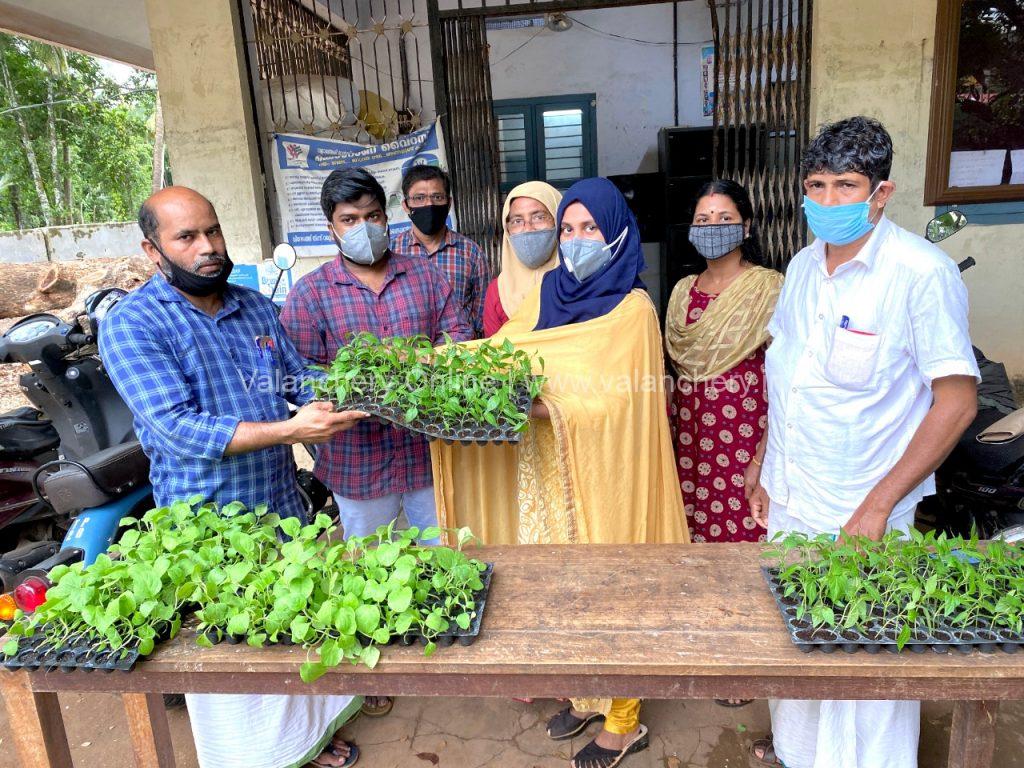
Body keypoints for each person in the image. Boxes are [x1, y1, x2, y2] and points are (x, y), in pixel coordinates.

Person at [100, 186, 366, 768]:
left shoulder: (257, 308)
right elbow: (178, 429)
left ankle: (308, 741)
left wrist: (340, 398)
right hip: (206, 528)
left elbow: (298, 380)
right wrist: (292, 431)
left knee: (296, 627)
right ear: (153, 250)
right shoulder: (133, 325)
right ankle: (259, 758)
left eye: (213, 231)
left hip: (281, 508)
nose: (207, 247)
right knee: (231, 652)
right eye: (186, 237)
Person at [746, 117, 979, 768]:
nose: (827, 201)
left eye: (846, 186)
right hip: (795, 505)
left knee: (866, 682)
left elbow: (956, 401)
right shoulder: (798, 268)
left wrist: (877, 507)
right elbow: (785, 375)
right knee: (798, 658)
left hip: (863, 513)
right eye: (815, 185)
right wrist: (763, 466)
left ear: (882, 193)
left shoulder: (920, 273)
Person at [431, 177, 688, 768]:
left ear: (616, 231)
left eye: (587, 229)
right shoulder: (551, 290)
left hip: (611, 470)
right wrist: (428, 368)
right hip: (552, 467)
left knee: (613, 586)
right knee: (564, 583)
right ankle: (581, 691)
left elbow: (621, 400)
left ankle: (624, 720)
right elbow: (499, 351)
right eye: (567, 229)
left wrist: (546, 406)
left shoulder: (633, 308)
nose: (574, 240)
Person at [665, 179, 783, 547]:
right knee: (689, 536)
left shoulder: (769, 287)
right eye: (702, 220)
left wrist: (764, 456)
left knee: (744, 531)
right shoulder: (683, 289)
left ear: (746, 226)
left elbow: (787, 374)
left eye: (723, 217)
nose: (712, 226)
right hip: (688, 435)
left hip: (745, 435)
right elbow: (672, 367)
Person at [390, 164, 490, 337]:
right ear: (406, 205)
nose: (429, 204)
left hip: (459, 355)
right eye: (419, 198)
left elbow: (481, 316)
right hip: (407, 357)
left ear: (448, 203)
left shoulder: (471, 252)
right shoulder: (391, 252)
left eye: (437, 197)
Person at [482, 181, 562, 336]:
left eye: (539, 217)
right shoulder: (498, 291)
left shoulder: (579, 282)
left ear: (558, 220)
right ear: (507, 230)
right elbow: (493, 353)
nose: (528, 228)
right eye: (517, 221)